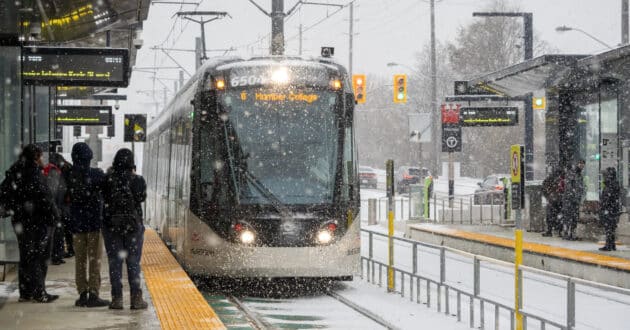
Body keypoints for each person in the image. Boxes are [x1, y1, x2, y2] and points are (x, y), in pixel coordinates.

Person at [4, 145, 59, 303]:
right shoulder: (34, 174)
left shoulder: (15, 172)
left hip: (20, 220)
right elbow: (45, 198)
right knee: (38, 256)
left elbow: (6, 192)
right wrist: (55, 216)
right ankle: (39, 292)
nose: (43, 159)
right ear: (36, 158)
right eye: (41, 156)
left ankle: (26, 292)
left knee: (26, 255)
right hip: (36, 220)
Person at [102, 149, 148, 310]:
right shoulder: (138, 180)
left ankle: (117, 299)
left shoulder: (107, 179)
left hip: (112, 226)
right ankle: (136, 299)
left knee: (115, 263)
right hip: (133, 226)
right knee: (133, 262)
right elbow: (141, 198)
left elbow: (104, 198)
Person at [65, 142, 109, 307]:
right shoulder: (96, 174)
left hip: (77, 225)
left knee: (80, 260)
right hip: (94, 224)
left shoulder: (69, 175)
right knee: (95, 260)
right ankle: (93, 294)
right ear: (89, 158)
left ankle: (82, 292)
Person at [43, 153, 70, 265]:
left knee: (55, 233)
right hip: (55, 208)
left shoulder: (50, 171)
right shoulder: (54, 172)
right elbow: (53, 192)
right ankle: (55, 256)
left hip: (54, 208)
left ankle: (55, 255)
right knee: (57, 233)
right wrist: (57, 208)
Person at [561, 159, 585, 240]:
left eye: (583, 164)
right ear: (577, 164)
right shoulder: (571, 173)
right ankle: (566, 233)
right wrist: (573, 195)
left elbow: (581, 187)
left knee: (575, 217)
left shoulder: (580, 175)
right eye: (580, 164)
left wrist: (579, 196)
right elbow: (569, 187)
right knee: (568, 216)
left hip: (575, 200)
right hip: (569, 200)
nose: (582, 166)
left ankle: (572, 233)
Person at [599, 167, 621, 251]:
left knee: (609, 227)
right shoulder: (613, 183)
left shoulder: (611, 184)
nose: (604, 176)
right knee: (610, 227)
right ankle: (611, 244)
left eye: (605, 174)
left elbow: (607, 198)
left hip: (609, 209)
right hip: (612, 209)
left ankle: (609, 245)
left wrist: (604, 206)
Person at [542, 167, 564, 237]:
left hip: (553, 200)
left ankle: (550, 231)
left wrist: (548, 196)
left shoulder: (550, 178)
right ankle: (559, 231)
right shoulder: (563, 178)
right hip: (559, 200)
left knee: (550, 216)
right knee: (559, 216)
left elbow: (543, 188)